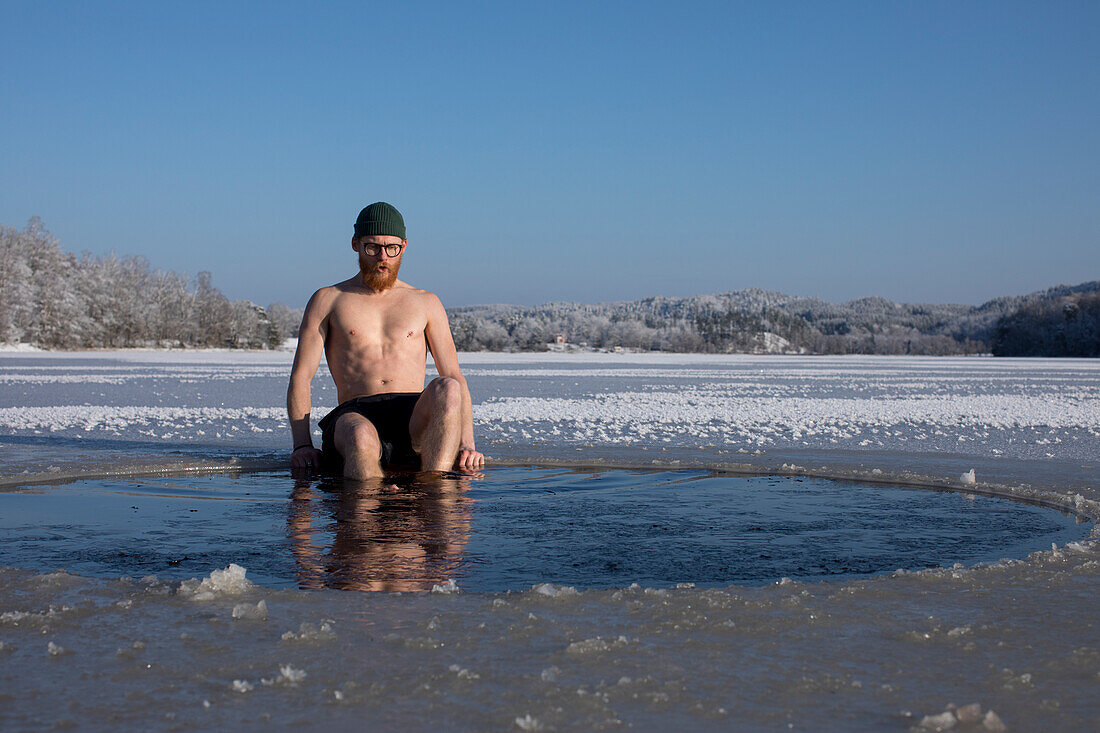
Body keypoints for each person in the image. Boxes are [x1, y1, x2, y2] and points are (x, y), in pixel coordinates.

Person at [287, 202, 484, 479]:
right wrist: (302, 445)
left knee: (448, 386)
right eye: (372, 247)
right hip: (355, 415)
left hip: (413, 418)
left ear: (403, 246)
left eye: (392, 248)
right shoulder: (329, 299)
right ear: (355, 244)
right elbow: (301, 376)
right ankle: (366, 507)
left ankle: (436, 495)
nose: (383, 257)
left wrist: (467, 443)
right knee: (360, 436)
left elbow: (453, 374)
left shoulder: (425, 302)